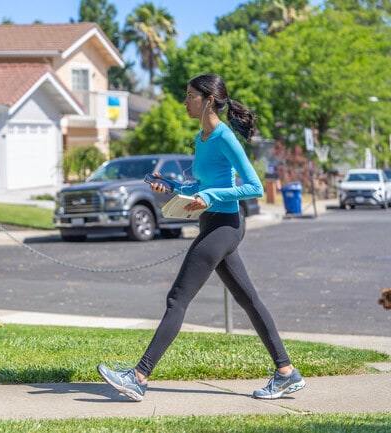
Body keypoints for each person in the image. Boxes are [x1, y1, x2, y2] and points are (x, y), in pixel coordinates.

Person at [97, 73, 305, 401]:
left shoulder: (225, 138)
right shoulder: (202, 138)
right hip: (212, 224)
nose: (185, 101)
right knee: (248, 299)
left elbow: (254, 187)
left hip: (226, 225)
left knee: (177, 299)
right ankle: (286, 372)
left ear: (209, 99)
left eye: (190, 95)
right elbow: (198, 185)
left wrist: (211, 198)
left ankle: (138, 376)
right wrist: (171, 186)